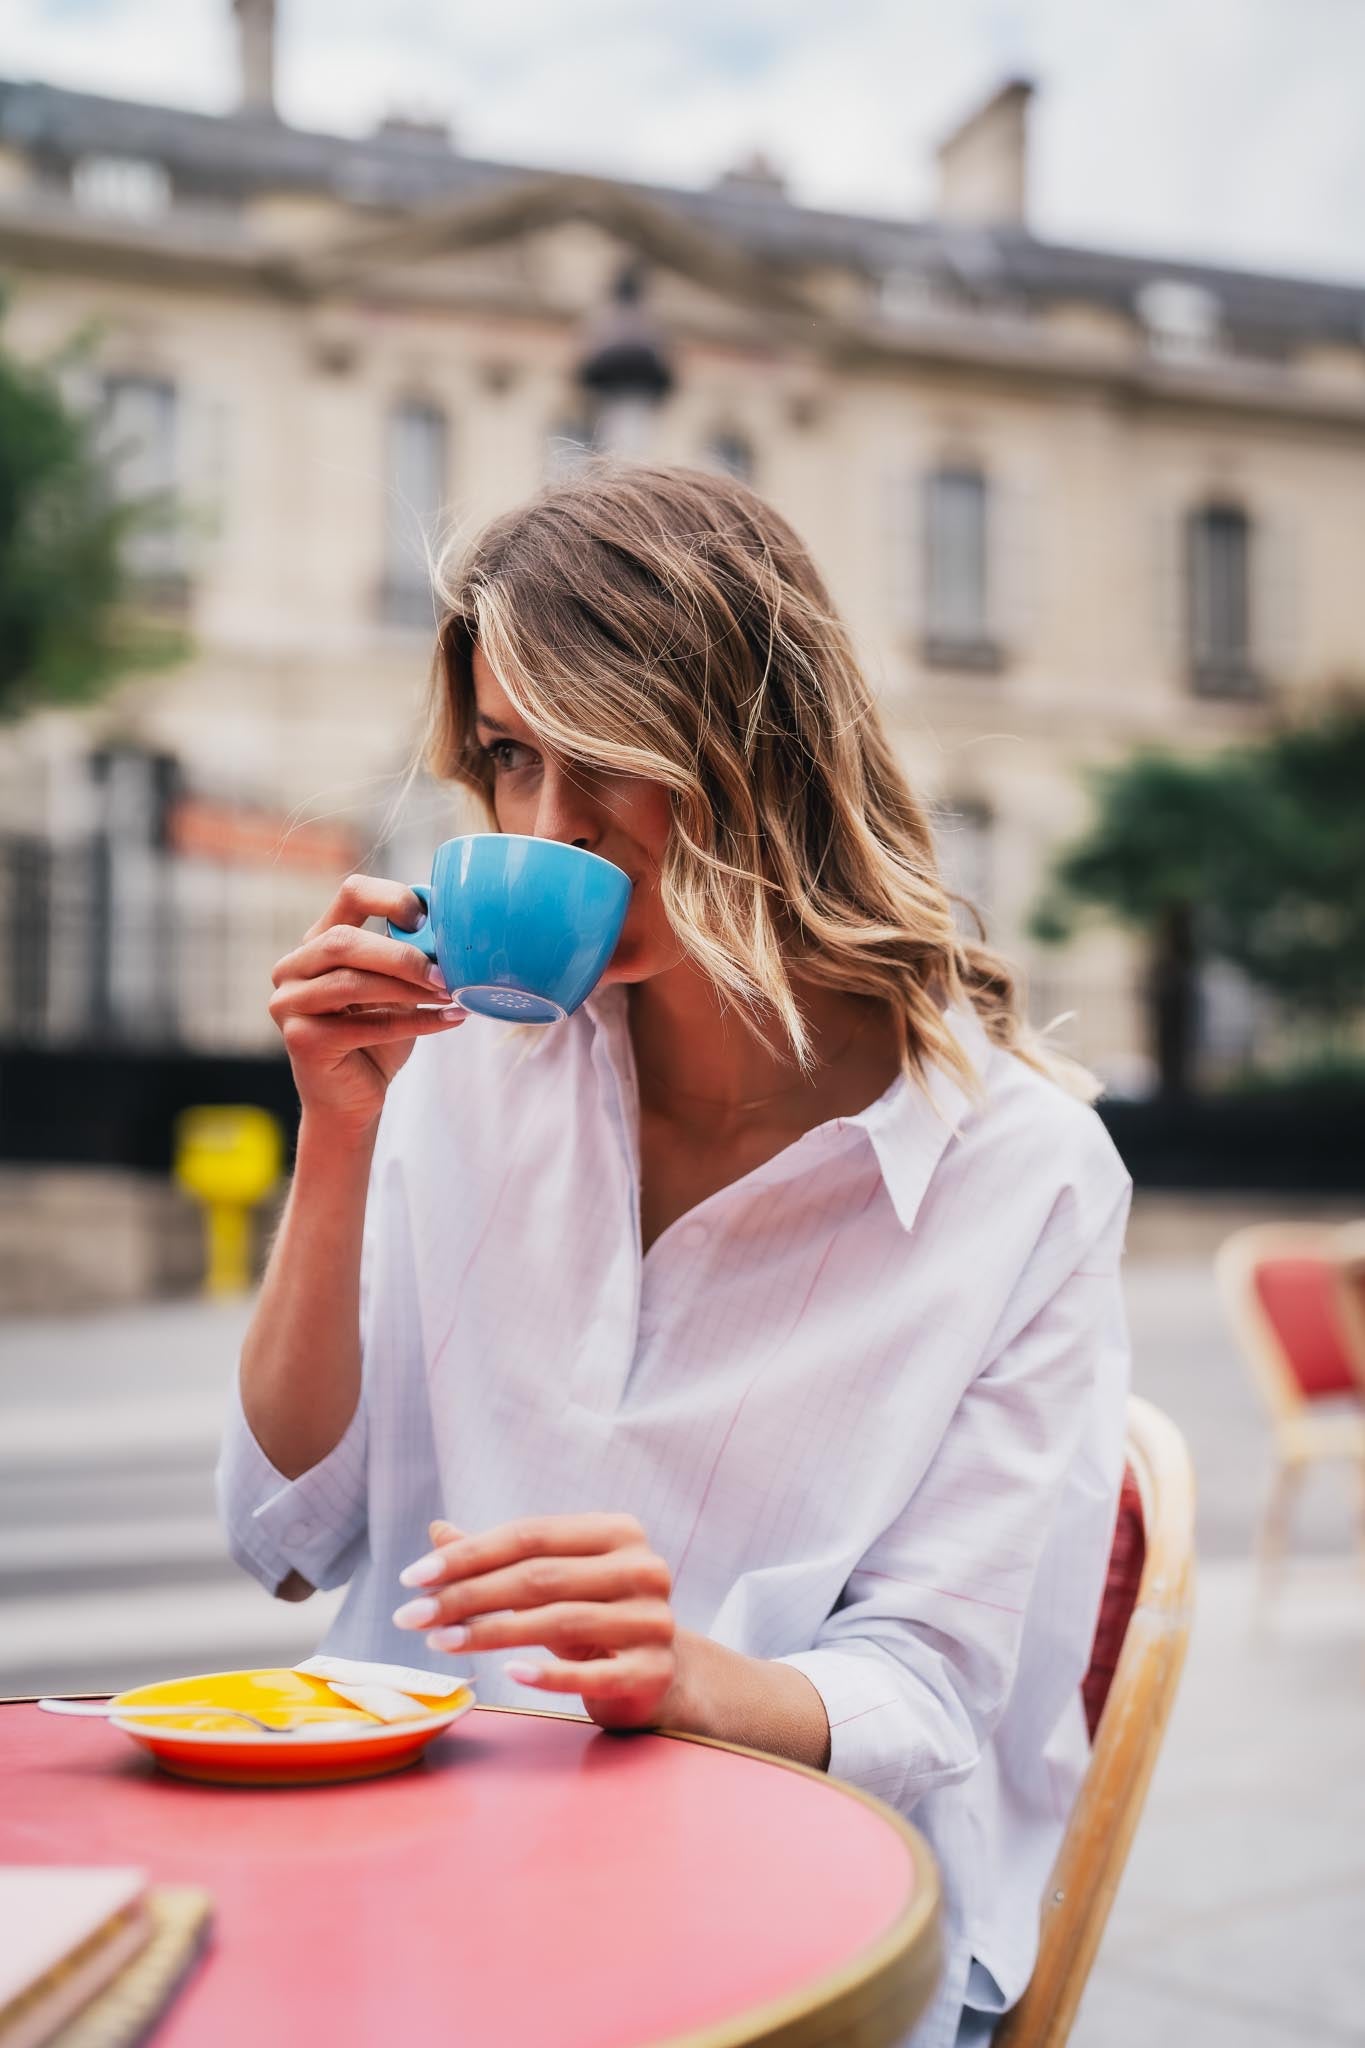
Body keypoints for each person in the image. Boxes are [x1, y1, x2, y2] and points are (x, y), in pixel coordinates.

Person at [218, 463, 1131, 2048]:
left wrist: (691, 1678)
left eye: (612, 765)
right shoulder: (455, 1073)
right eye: (510, 759)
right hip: (424, 1848)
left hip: (797, 1892)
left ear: (757, 757)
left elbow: (931, 1692)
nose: (549, 827)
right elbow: (290, 1530)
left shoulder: (1019, 1176)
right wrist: (337, 1137)